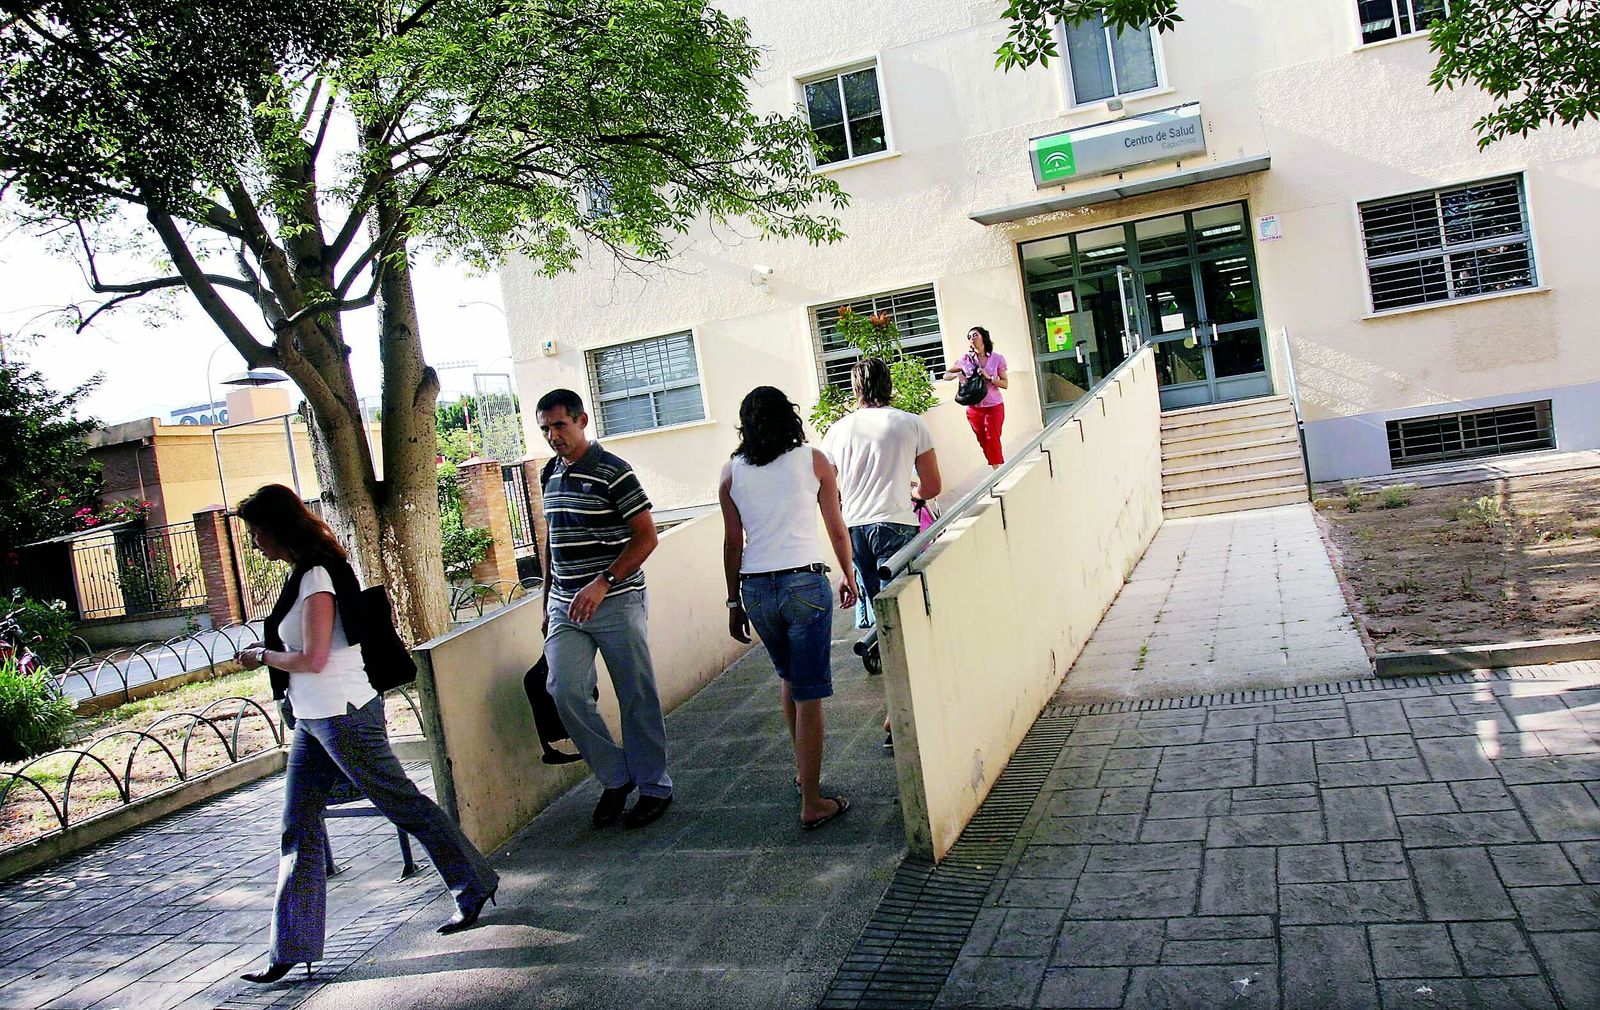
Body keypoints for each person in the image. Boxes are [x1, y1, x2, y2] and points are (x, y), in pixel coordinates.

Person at [233, 485, 498, 985]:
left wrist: (259, 656)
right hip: (313, 718)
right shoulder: (303, 574)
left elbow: (312, 658)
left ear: (277, 528)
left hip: (343, 713)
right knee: (298, 825)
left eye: (256, 532)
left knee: (403, 805)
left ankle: (473, 884)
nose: (253, 543)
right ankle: (291, 946)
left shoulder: (315, 575)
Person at [720, 386, 860, 829]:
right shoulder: (814, 460)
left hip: (757, 591)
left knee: (789, 678)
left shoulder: (731, 473)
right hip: (804, 583)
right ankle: (814, 802)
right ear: (790, 417)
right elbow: (836, 525)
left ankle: (804, 774)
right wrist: (848, 573)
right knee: (810, 693)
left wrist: (732, 601)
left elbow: (732, 543)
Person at [535, 388, 673, 829]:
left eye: (559, 425)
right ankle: (616, 776)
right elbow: (552, 543)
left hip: (616, 598)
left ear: (581, 421)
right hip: (564, 606)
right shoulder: (549, 474)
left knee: (636, 695)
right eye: (545, 429)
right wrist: (546, 600)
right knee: (564, 690)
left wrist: (604, 581)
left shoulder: (614, 472)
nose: (553, 436)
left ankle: (654, 786)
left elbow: (646, 536)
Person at [821, 357, 943, 632]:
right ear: (889, 384)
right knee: (899, 605)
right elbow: (933, 486)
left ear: (856, 389)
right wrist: (915, 493)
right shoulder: (911, 423)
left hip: (854, 526)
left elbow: (827, 490)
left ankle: (877, 651)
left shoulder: (836, 431)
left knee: (874, 601)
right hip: (895, 521)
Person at [944, 325, 1009, 467]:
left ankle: (997, 470)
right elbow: (946, 375)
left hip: (994, 405)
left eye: (975, 335)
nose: (972, 338)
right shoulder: (966, 359)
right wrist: (958, 374)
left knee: (992, 437)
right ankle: (995, 465)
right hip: (974, 407)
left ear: (983, 337)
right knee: (982, 439)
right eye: (969, 337)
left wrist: (990, 378)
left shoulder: (997, 358)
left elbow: (1005, 384)